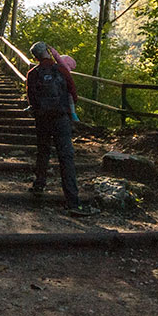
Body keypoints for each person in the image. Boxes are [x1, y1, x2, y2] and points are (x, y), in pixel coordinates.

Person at [26, 41, 96, 217]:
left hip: (42, 119)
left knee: (43, 152)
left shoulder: (32, 74)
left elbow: (31, 99)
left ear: (35, 57)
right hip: (61, 118)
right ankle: (73, 202)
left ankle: (39, 185)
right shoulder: (61, 70)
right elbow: (74, 94)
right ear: (48, 53)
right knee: (66, 157)